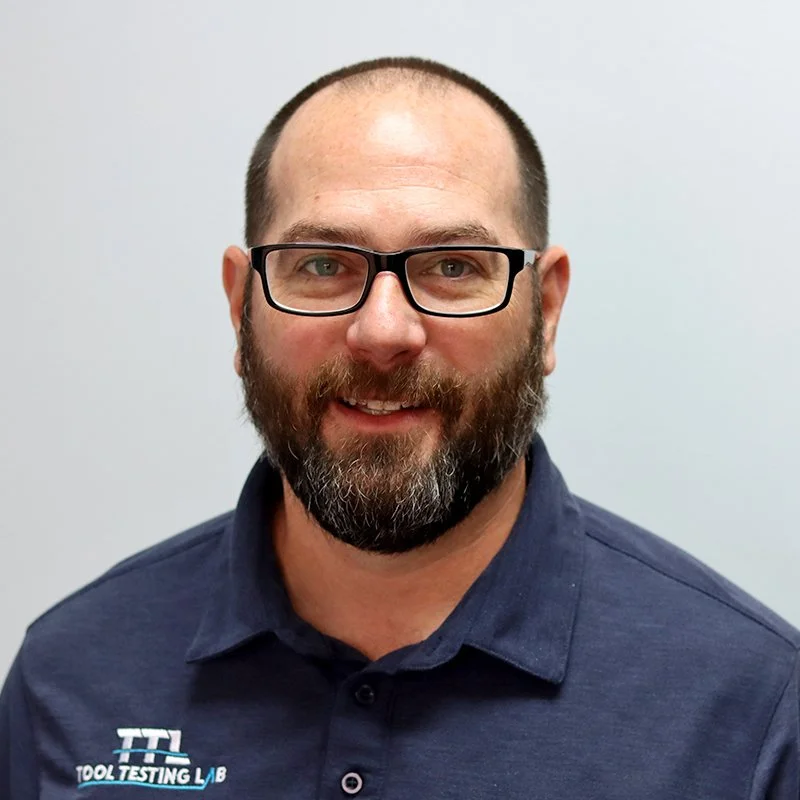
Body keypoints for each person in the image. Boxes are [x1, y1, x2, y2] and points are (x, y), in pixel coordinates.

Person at [1, 56, 798, 798]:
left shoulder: (750, 706)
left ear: (545, 312)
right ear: (239, 304)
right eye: (321, 265)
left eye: (453, 266)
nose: (384, 331)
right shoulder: (70, 674)